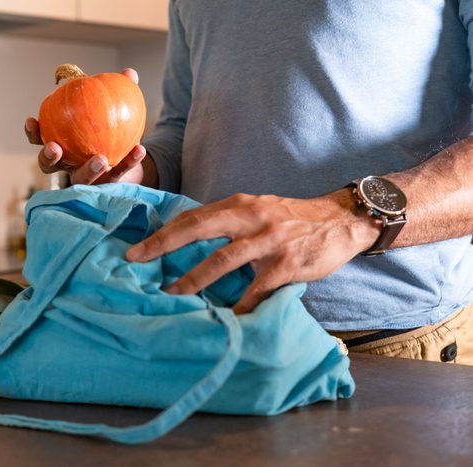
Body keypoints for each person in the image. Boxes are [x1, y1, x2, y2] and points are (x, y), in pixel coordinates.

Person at [25, 0, 473, 364]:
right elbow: (182, 126)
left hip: (387, 341)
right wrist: (129, 167)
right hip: (211, 330)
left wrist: (350, 216)